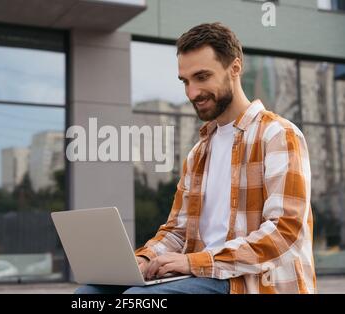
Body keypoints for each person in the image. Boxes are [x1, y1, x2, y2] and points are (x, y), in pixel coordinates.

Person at [76, 22, 316, 294]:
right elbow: (177, 232)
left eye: (202, 77)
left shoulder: (278, 135)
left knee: (139, 299)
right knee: (90, 294)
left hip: (250, 283)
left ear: (235, 68)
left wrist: (195, 262)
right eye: (185, 81)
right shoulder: (198, 153)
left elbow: (285, 233)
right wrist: (143, 259)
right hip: (200, 276)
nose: (192, 93)